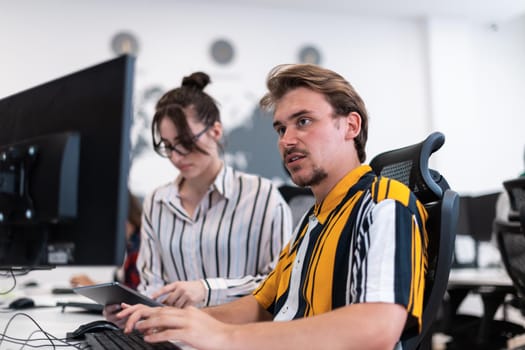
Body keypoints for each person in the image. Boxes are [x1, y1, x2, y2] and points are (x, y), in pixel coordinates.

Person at [116, 64, 429, 350]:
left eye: (303, 121)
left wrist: (222, 336)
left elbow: (378, 327)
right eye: (281, 129)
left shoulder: (383, 203)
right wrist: (183, 322)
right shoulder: (312, 220)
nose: (287, 140)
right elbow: (263, 305)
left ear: (351, 126)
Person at [105, 72, 293, 325]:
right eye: (168, 146)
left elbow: (281, 282)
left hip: (239, 338)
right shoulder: (157, 202)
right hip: (174, 337)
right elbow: (153, 286)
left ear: (215, 131)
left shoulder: (261, 195)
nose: (177, 156)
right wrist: (134, 308)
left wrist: (208, 289)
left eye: (186, 142)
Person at [70, 190, 142, 290]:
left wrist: (92, 285)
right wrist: (93, 284)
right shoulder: (129, 244)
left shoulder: (140, 246)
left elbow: (136, 294)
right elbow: (124, 287)